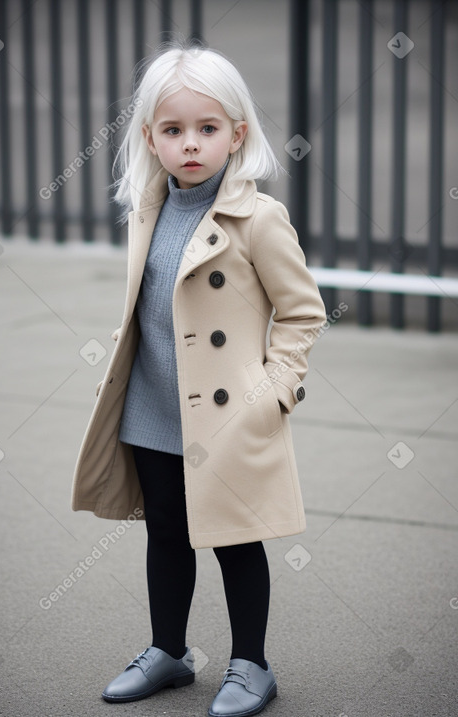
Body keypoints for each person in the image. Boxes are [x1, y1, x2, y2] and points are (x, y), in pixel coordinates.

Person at [71, 41, 326, 717]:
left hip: (227, 416)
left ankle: (251, 664)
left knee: (237, 539)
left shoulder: (258, 219)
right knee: (165, 533)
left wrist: (275, 386)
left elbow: (303, 311)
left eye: (207, 129)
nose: (191, 144)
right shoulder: (147, 210)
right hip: (152, 406)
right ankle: (168, 650)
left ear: (237, 134)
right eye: (174, 130)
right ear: (150, 138)